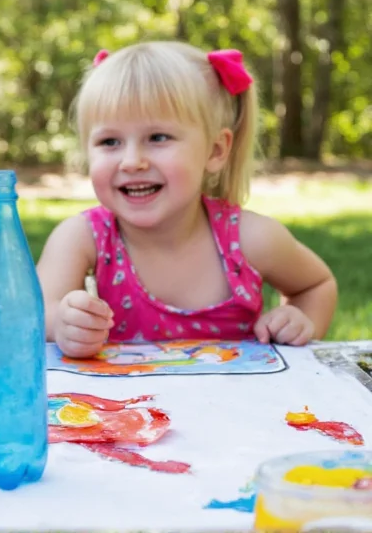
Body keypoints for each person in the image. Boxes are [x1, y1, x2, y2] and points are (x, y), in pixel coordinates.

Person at [37, 42, 337, 359]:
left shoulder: (249, 239)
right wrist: (63, 324)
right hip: (126, 406)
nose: (131, 161)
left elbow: (315, 285)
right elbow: (35, 313)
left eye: (158, 137)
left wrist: (300, 321)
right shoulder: (83, 237)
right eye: (109, 141)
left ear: (216, 150)